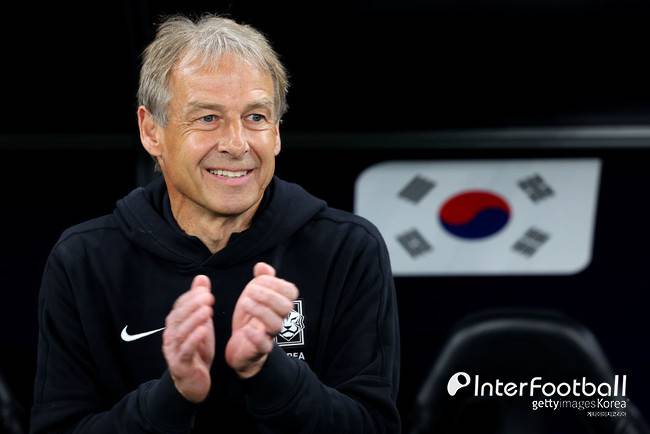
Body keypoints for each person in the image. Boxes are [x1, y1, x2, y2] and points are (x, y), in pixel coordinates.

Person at [30, 14, 400, 434]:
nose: (236, 144)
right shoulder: (83, 260)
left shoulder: (347, 249)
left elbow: (374, 426)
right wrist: (174, 395)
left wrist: (267, 371)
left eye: (256, 117)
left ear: (277, 133)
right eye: (208, 118)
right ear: (151, 131)